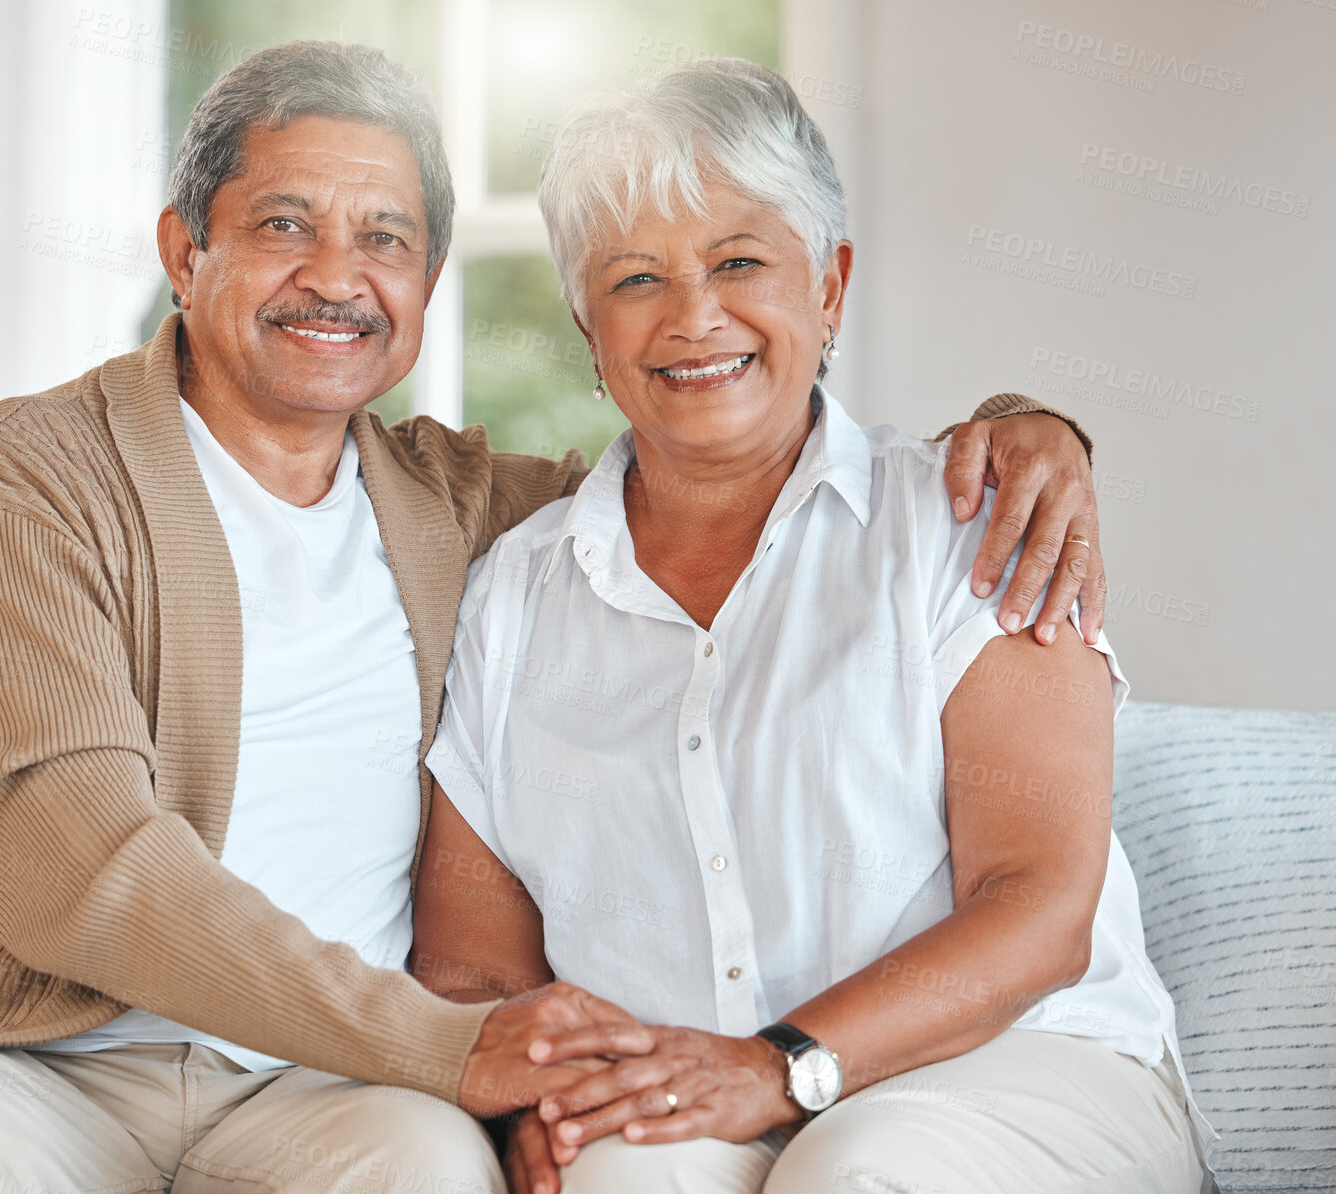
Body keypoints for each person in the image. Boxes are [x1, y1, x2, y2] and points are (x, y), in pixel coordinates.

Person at [0, 42, 1104, 1194]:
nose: (334, 277)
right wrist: (446, 1047)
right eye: (284, 224)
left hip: (328, 1087)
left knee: (422, 1169)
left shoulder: (464, 508)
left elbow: (722, 462)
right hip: (43, 1063)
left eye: (385, 239)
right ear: (187, 248)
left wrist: (1022, 434)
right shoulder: (29, 475)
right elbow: (79, 865)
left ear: (426, 282)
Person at [415, 57, 1215, 1194]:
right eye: (636, 278)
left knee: (857, 1173)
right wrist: (530, 1104)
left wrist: (781, 1067)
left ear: (828, 287)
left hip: (1017, 1066)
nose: (693, 316)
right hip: (687, 1085)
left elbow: (1038, 909)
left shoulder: (971, 523)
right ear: (588, 329)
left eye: (738, 261)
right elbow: (469, 964)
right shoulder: (511, 597)